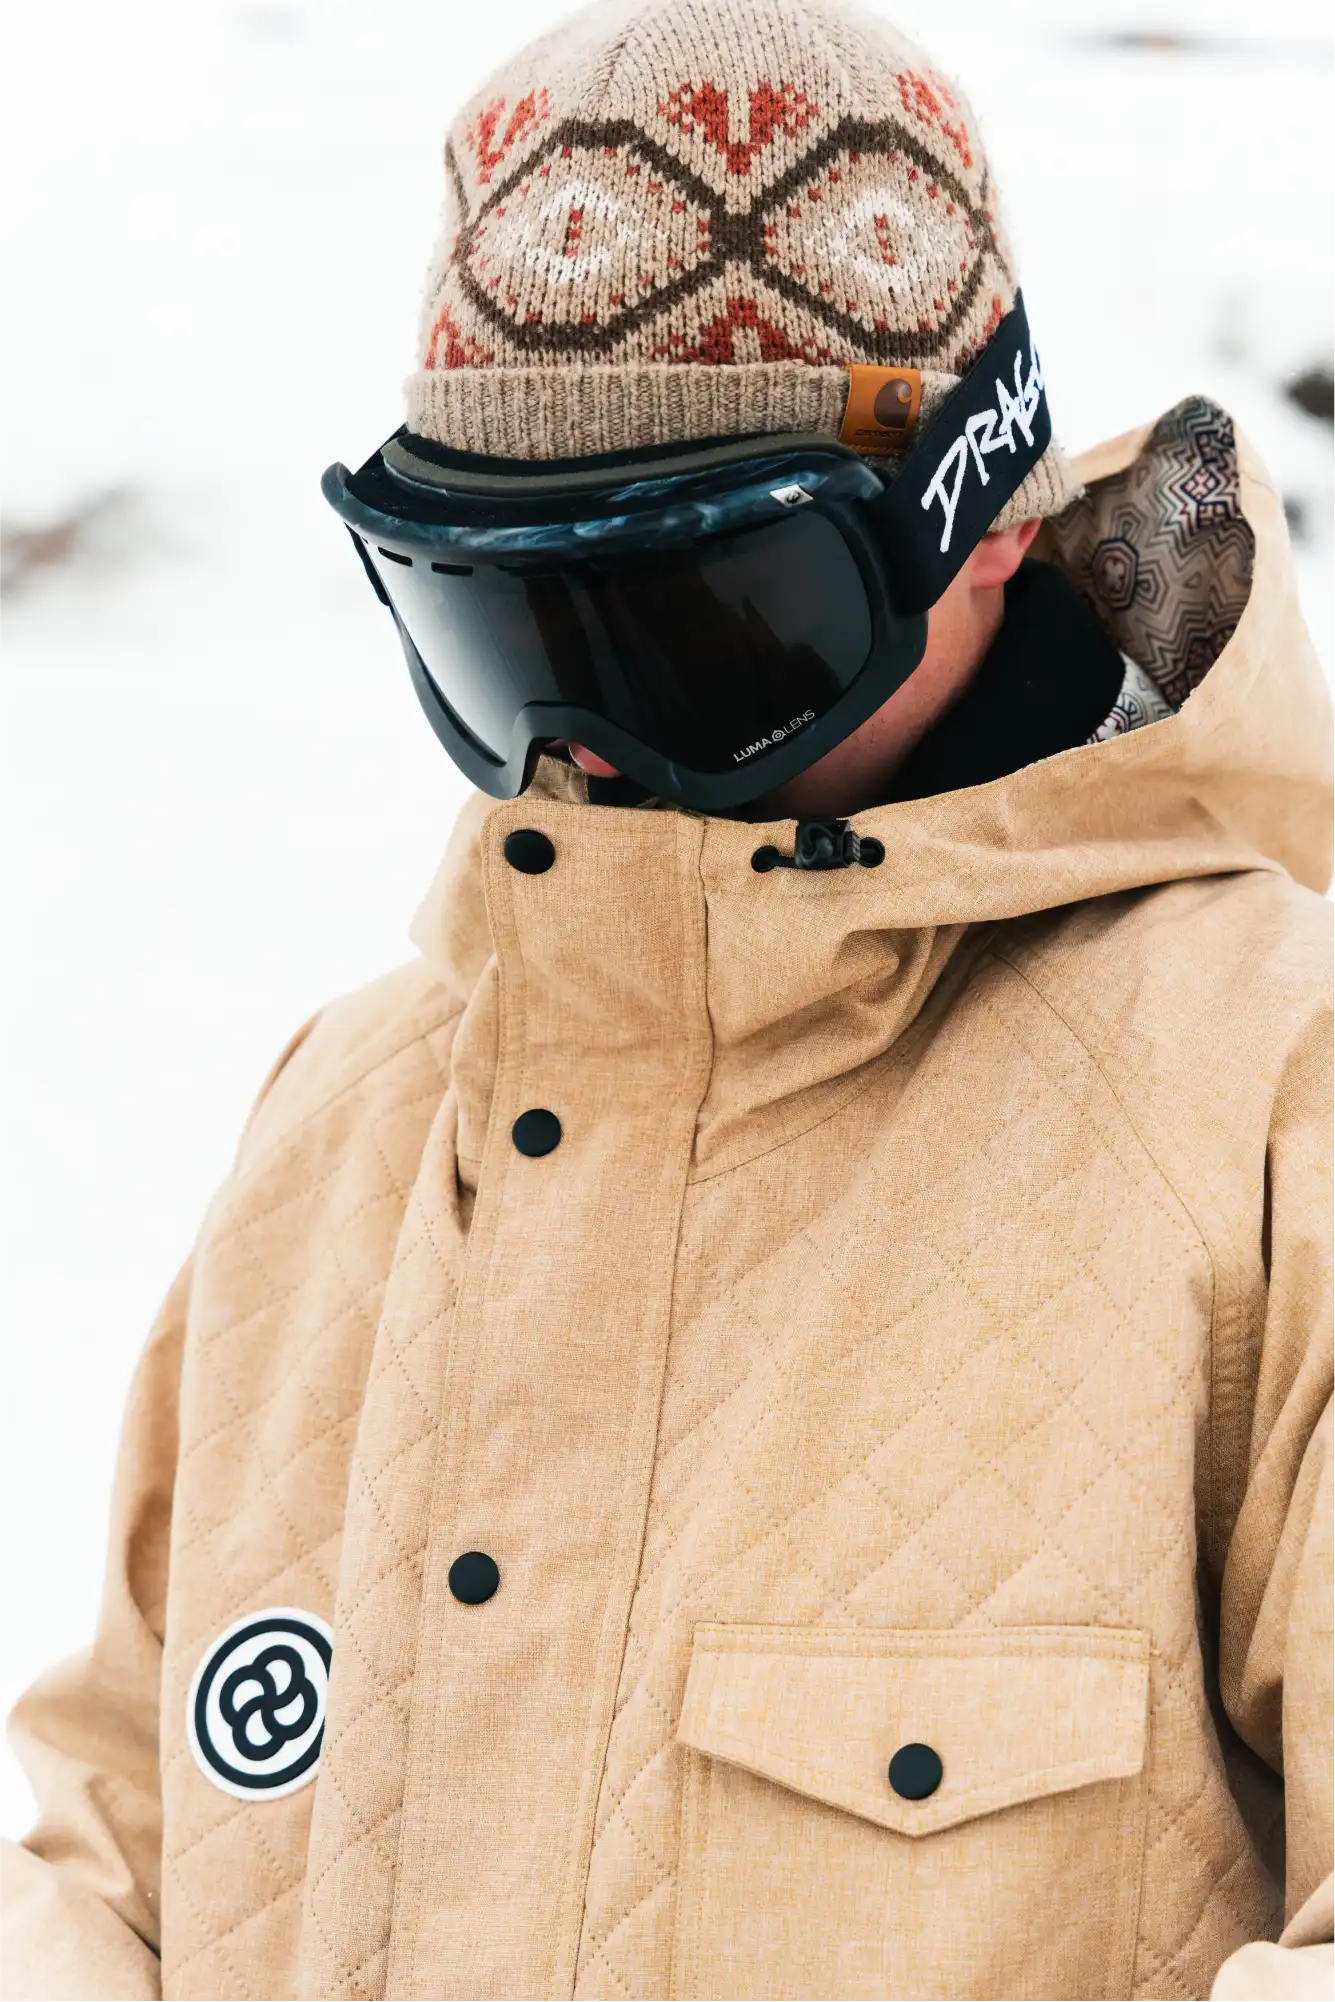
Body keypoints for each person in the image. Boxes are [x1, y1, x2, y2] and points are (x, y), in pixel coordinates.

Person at [3, 2, 1335, 1997]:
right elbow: (105, 1810)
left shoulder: (1270, 1094)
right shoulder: (352, 1112)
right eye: (495, 628)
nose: (586, 743)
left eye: (698, 633)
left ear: (964, 521)